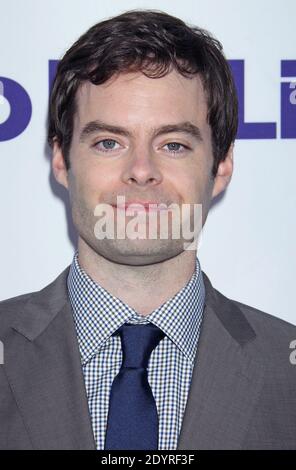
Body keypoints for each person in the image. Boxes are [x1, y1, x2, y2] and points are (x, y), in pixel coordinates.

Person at [0, 9, 295, 451]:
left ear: (221, 167)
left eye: (173, 144)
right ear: (61, 160)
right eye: (109, 143)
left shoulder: (285, 367)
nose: (141, 171)